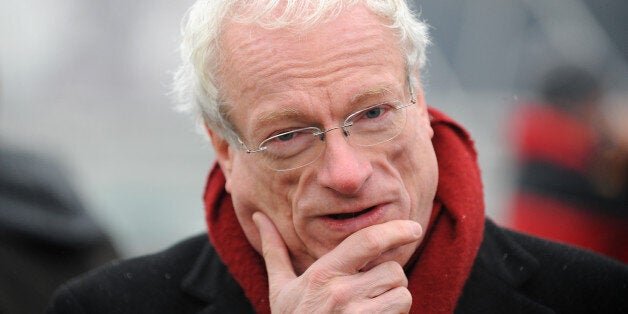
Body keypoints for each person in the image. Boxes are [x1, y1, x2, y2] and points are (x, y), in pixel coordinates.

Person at [47, 1, 627, 313]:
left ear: (420, 102)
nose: (347, 174)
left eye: (373, 114)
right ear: (223, 148)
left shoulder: (599, 298)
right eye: (288, 136)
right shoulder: (101, 308)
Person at [507, 65, 628, 263]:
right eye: (596, 103)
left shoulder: (537, 146)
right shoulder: (578, 153)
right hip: (571, 280)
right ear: (577, 105)